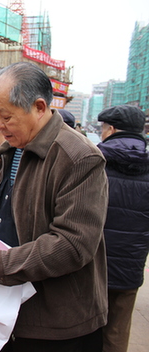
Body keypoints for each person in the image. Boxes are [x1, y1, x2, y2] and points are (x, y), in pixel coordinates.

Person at [0, 62, 108, 352]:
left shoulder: (79, 158)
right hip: (0, 307)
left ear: (39, 107)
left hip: (53, 323)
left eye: (6, 116)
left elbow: (71, 245)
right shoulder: (9, 149)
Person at [96, 105, 149, 352]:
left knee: (85, 327)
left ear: (112, 129)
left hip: (94, 265)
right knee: (117, 331)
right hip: (131, 266)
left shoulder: (95, 160)